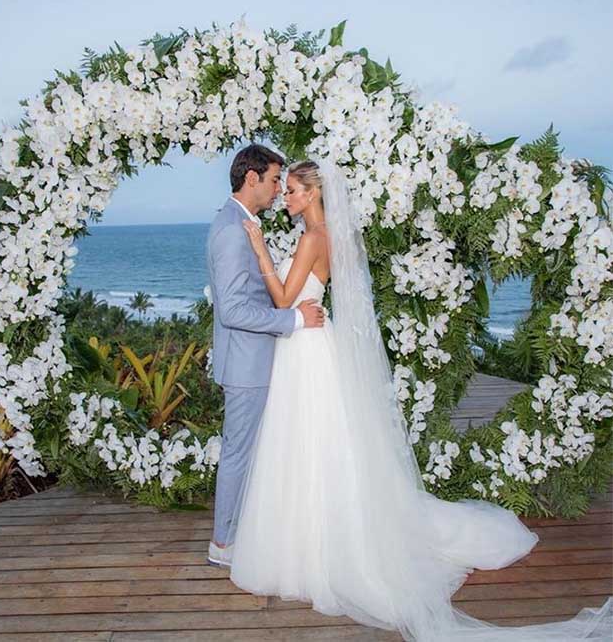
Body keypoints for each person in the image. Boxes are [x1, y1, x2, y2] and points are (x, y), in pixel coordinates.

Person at [227, 158, 612, 640]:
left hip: (304, 347)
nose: (285, 196)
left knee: (307, 440)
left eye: (292, 191)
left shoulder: (311, 238)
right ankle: (309, 541)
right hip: (309, 345)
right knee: (317, 442)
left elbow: (284, 300)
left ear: (311, 194)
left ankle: (312, 549)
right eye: (282, 190)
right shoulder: (322, 235)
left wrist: (261, 253)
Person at [205, 145, 325, 567]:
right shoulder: (231, 230)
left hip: (261, 360)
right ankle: (223, 544)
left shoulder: (243, 224)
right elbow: (234, 309)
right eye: (275, 180)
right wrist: (293, 322)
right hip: (247, 364)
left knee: (260, 450)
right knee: (239, 452)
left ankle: (246, 533)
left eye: (285, 184)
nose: (278, 190)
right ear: (251, 178)